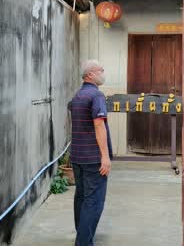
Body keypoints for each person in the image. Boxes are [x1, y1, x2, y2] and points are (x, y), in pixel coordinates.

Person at [68, 60, 113, 246]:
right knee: (94, 202)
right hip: (93, 159)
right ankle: (83, 242)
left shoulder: (77, 96)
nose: (103, 73)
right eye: (100, 70)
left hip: (77, 157)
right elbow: (98, 125)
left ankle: (82, 237)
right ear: (90, 75)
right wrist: (105, 157)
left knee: (81, 198)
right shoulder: (96, 96)